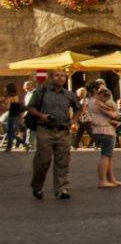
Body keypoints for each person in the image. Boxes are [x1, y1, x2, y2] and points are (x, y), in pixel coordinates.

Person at [28, 69, 81, 200]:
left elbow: (78, 108)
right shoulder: (41, 92)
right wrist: (42, 115)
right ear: (52, 77)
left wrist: (74, 120)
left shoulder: (69, 95)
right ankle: (37, 186)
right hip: (45, 129)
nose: (60, 78)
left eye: (63, 76)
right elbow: (31, 107)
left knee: (63, 161)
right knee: (43, 161)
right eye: (57, 75)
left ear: (66, 79)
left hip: (63, 130)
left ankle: (61, 189)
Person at [86, 86, 121, 189]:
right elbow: (115, 115)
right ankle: (102, 180)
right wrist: (116, 116)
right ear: (94, 91)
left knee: (109, 156)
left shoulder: (92, 102)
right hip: (104, 130)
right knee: (106, 155)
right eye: (100, 91)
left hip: (104, 129)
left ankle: (111, 178)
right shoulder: (97, 103)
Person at [4, 83, 25, 151]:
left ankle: (10, 147)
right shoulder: (16, 96)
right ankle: (22, 143)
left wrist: (6, 103)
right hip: (17, 115)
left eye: (6, 88)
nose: (5, 90)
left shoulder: (9, 97)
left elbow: (8, 107)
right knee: (11, 132)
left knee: (10, 132)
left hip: (12, 115)